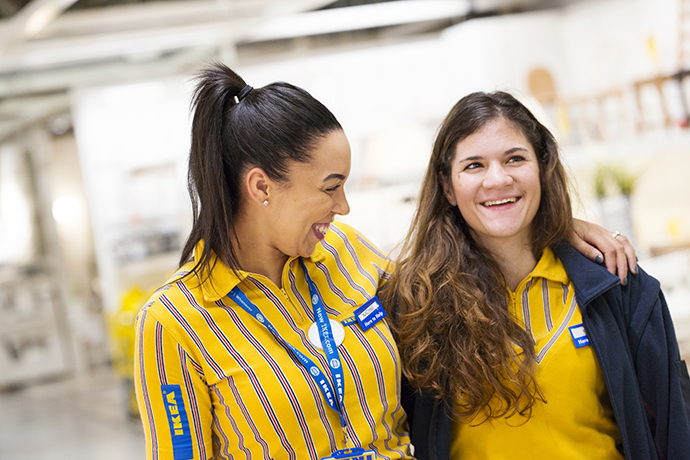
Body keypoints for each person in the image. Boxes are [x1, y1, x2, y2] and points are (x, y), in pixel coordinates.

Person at [134, 63, 637, 460]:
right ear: (262, 186)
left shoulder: (347, 253)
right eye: (331, 187)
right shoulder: (174, 322)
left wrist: (552, 225)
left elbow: (450, 276)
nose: (344, 206)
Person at [385, 91, 690, 460]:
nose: (497, 179)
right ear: (448, 187)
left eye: (515, 159)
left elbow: (673, 432)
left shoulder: (619, 286)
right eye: (474, 166)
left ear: (542, 168)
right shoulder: (415, 306)